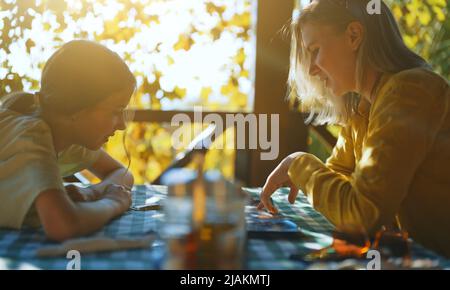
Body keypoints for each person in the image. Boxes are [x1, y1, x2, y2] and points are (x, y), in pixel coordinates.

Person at [258, 0, 450, 257]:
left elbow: (360, 215)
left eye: (315, 50)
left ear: (354, 36)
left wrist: (297, 164)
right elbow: (339, 174)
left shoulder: (409, 91)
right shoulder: (365, 106)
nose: (312, 69)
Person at [0, 40, 136, 241]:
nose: (122, 125)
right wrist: (113, 203)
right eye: (116, 112)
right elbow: (63, 226)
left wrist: (91, 194)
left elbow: (121, 174)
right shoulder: (31, 135)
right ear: (78, 108)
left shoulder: (68, 137)